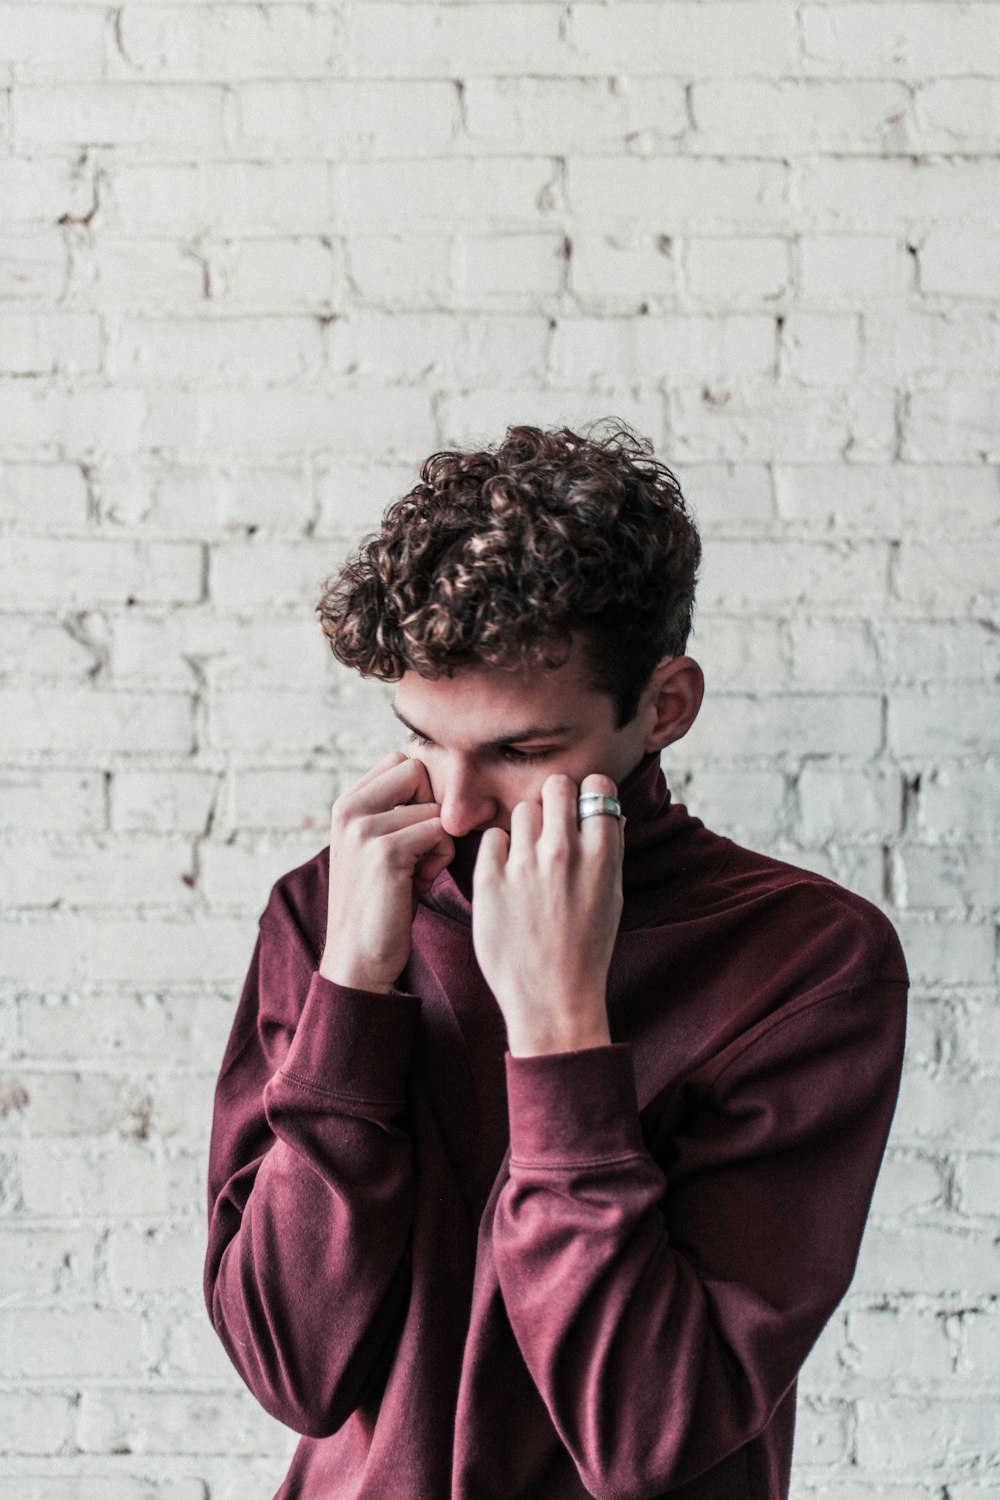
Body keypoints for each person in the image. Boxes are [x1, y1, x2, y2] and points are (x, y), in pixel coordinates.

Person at [204, 421, 908, 1500]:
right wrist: (349, 992)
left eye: (522, 751)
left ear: (662, 708)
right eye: (422, 738)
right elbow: (292, 1371)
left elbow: (647, 1439)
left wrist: (560, 1036)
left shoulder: (804, 961)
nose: (455, 803)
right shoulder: (327, 908)